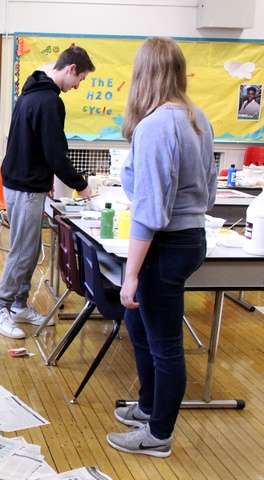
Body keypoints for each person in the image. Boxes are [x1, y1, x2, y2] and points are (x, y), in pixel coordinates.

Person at [107, 37, 217, 458]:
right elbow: (206, 194)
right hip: (190, 239)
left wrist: (131, 274)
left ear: (143, 75)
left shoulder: (155, 126)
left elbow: (150, 212)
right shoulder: (197, 118)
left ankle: (159, 435)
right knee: (140, 326)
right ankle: (149, 407)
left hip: (165, 245)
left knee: (166, 344)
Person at [0, 46, 95, 339]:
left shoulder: (32, 92)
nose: (77, 86)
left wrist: (45, 177)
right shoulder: (49, 101)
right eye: (80, 79)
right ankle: (1, 308)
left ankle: (19, 304)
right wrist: (81, 184)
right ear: (71, 69)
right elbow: (56, 153)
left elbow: (34, 144)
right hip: (24, 186)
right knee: (23, 250)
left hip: (24, 182)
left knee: (31, 249)